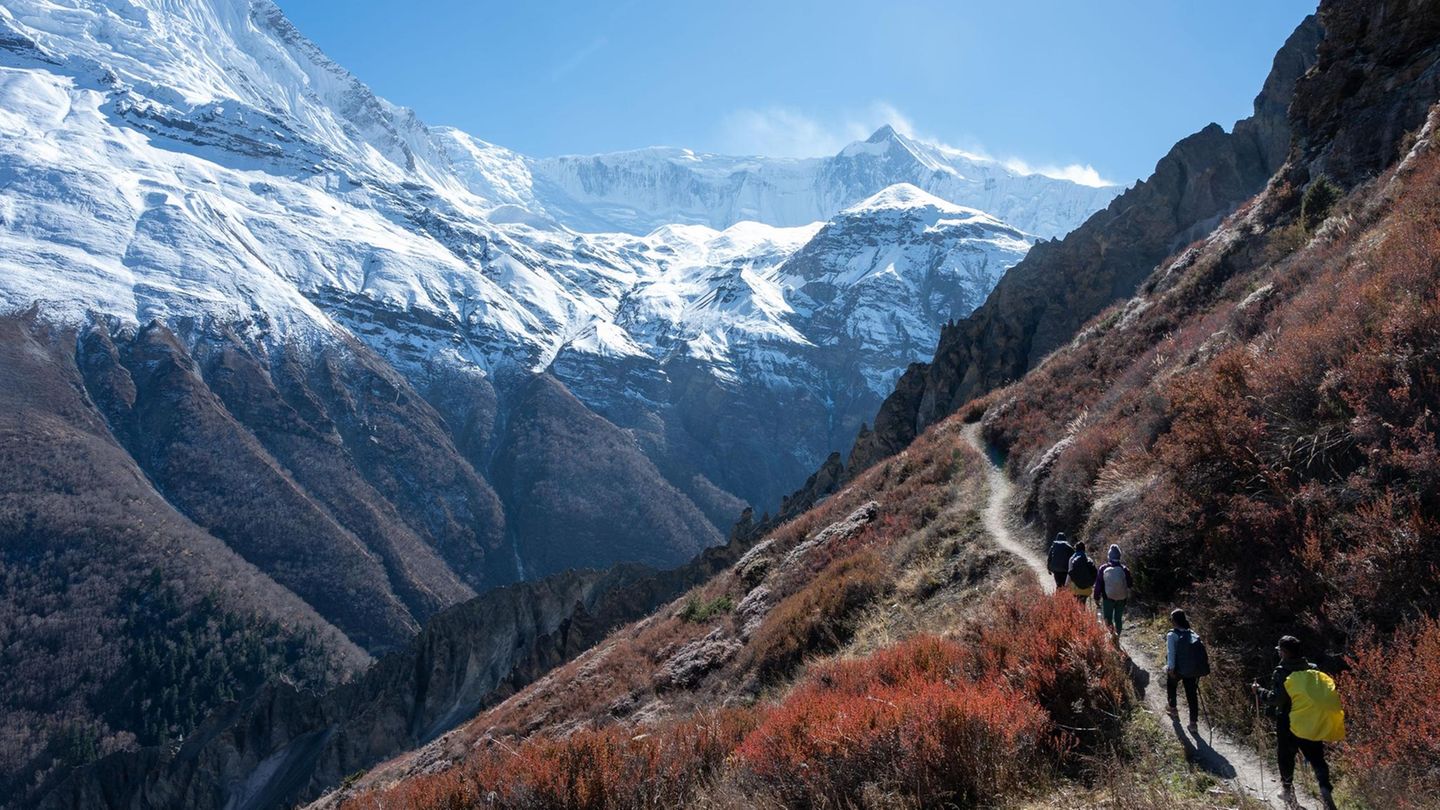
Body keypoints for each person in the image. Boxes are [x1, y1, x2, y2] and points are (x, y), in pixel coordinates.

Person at [1251, 636, 1342, 810]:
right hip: (1312, 720)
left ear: (1284, 652)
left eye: (1279, 650)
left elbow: (1276, 699)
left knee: (1286, 757)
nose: (1278, 652)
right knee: (1317, 758)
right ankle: (1325, 790)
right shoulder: (1313, 669)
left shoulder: (1282, 672)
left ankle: (1287, 791)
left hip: (1289, 722)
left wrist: (1259, 691)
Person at [1164, 609, 1209, 732]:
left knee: (1171, 685)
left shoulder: (1172, 635)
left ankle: (1173, 709)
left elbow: (1171, 652)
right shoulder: (1191, 633)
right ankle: (1193, 724)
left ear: (1174, 621)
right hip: (1191, 669)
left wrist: (1171, 668)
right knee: (1192, 695)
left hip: (1178, 669)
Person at [1094, 544, 1132, 638]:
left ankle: (1112, 634)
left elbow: (1098, 584)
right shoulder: (1124, 569)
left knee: (1108, 618)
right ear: (1119, 556)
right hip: (1121, 598)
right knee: (1118, 618)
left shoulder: (1103, 568)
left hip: (1108, 598)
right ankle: (1117, 636)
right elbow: (1130, 584)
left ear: (1109, 556)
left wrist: (1096, 597)